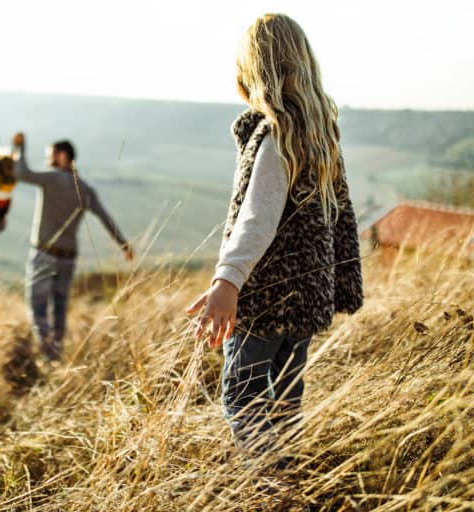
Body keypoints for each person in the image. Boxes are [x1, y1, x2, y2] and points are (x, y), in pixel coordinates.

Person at [186, 14, 363, 460]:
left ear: (252, 72)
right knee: (285, 403)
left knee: (242, 400)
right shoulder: (319, 134)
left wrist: (227, 283)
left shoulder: (274, 135)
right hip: (306, 299)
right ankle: (292, 480)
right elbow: (338, 217)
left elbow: (257, 218)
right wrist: (339, 283)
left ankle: (273, 489)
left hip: (265, 300)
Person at [13, 132, 134, 362]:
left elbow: (21, 173)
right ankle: (56, 355)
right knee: (59, 309)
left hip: (44, 253)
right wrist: (123, 245)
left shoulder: (53, 178)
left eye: (51, 155)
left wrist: (20, 147)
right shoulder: (85, 189)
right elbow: (106, 218)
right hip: (69, 258)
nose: (49, 160)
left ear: (62, 155)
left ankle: (48, 353)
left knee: (37, 307)